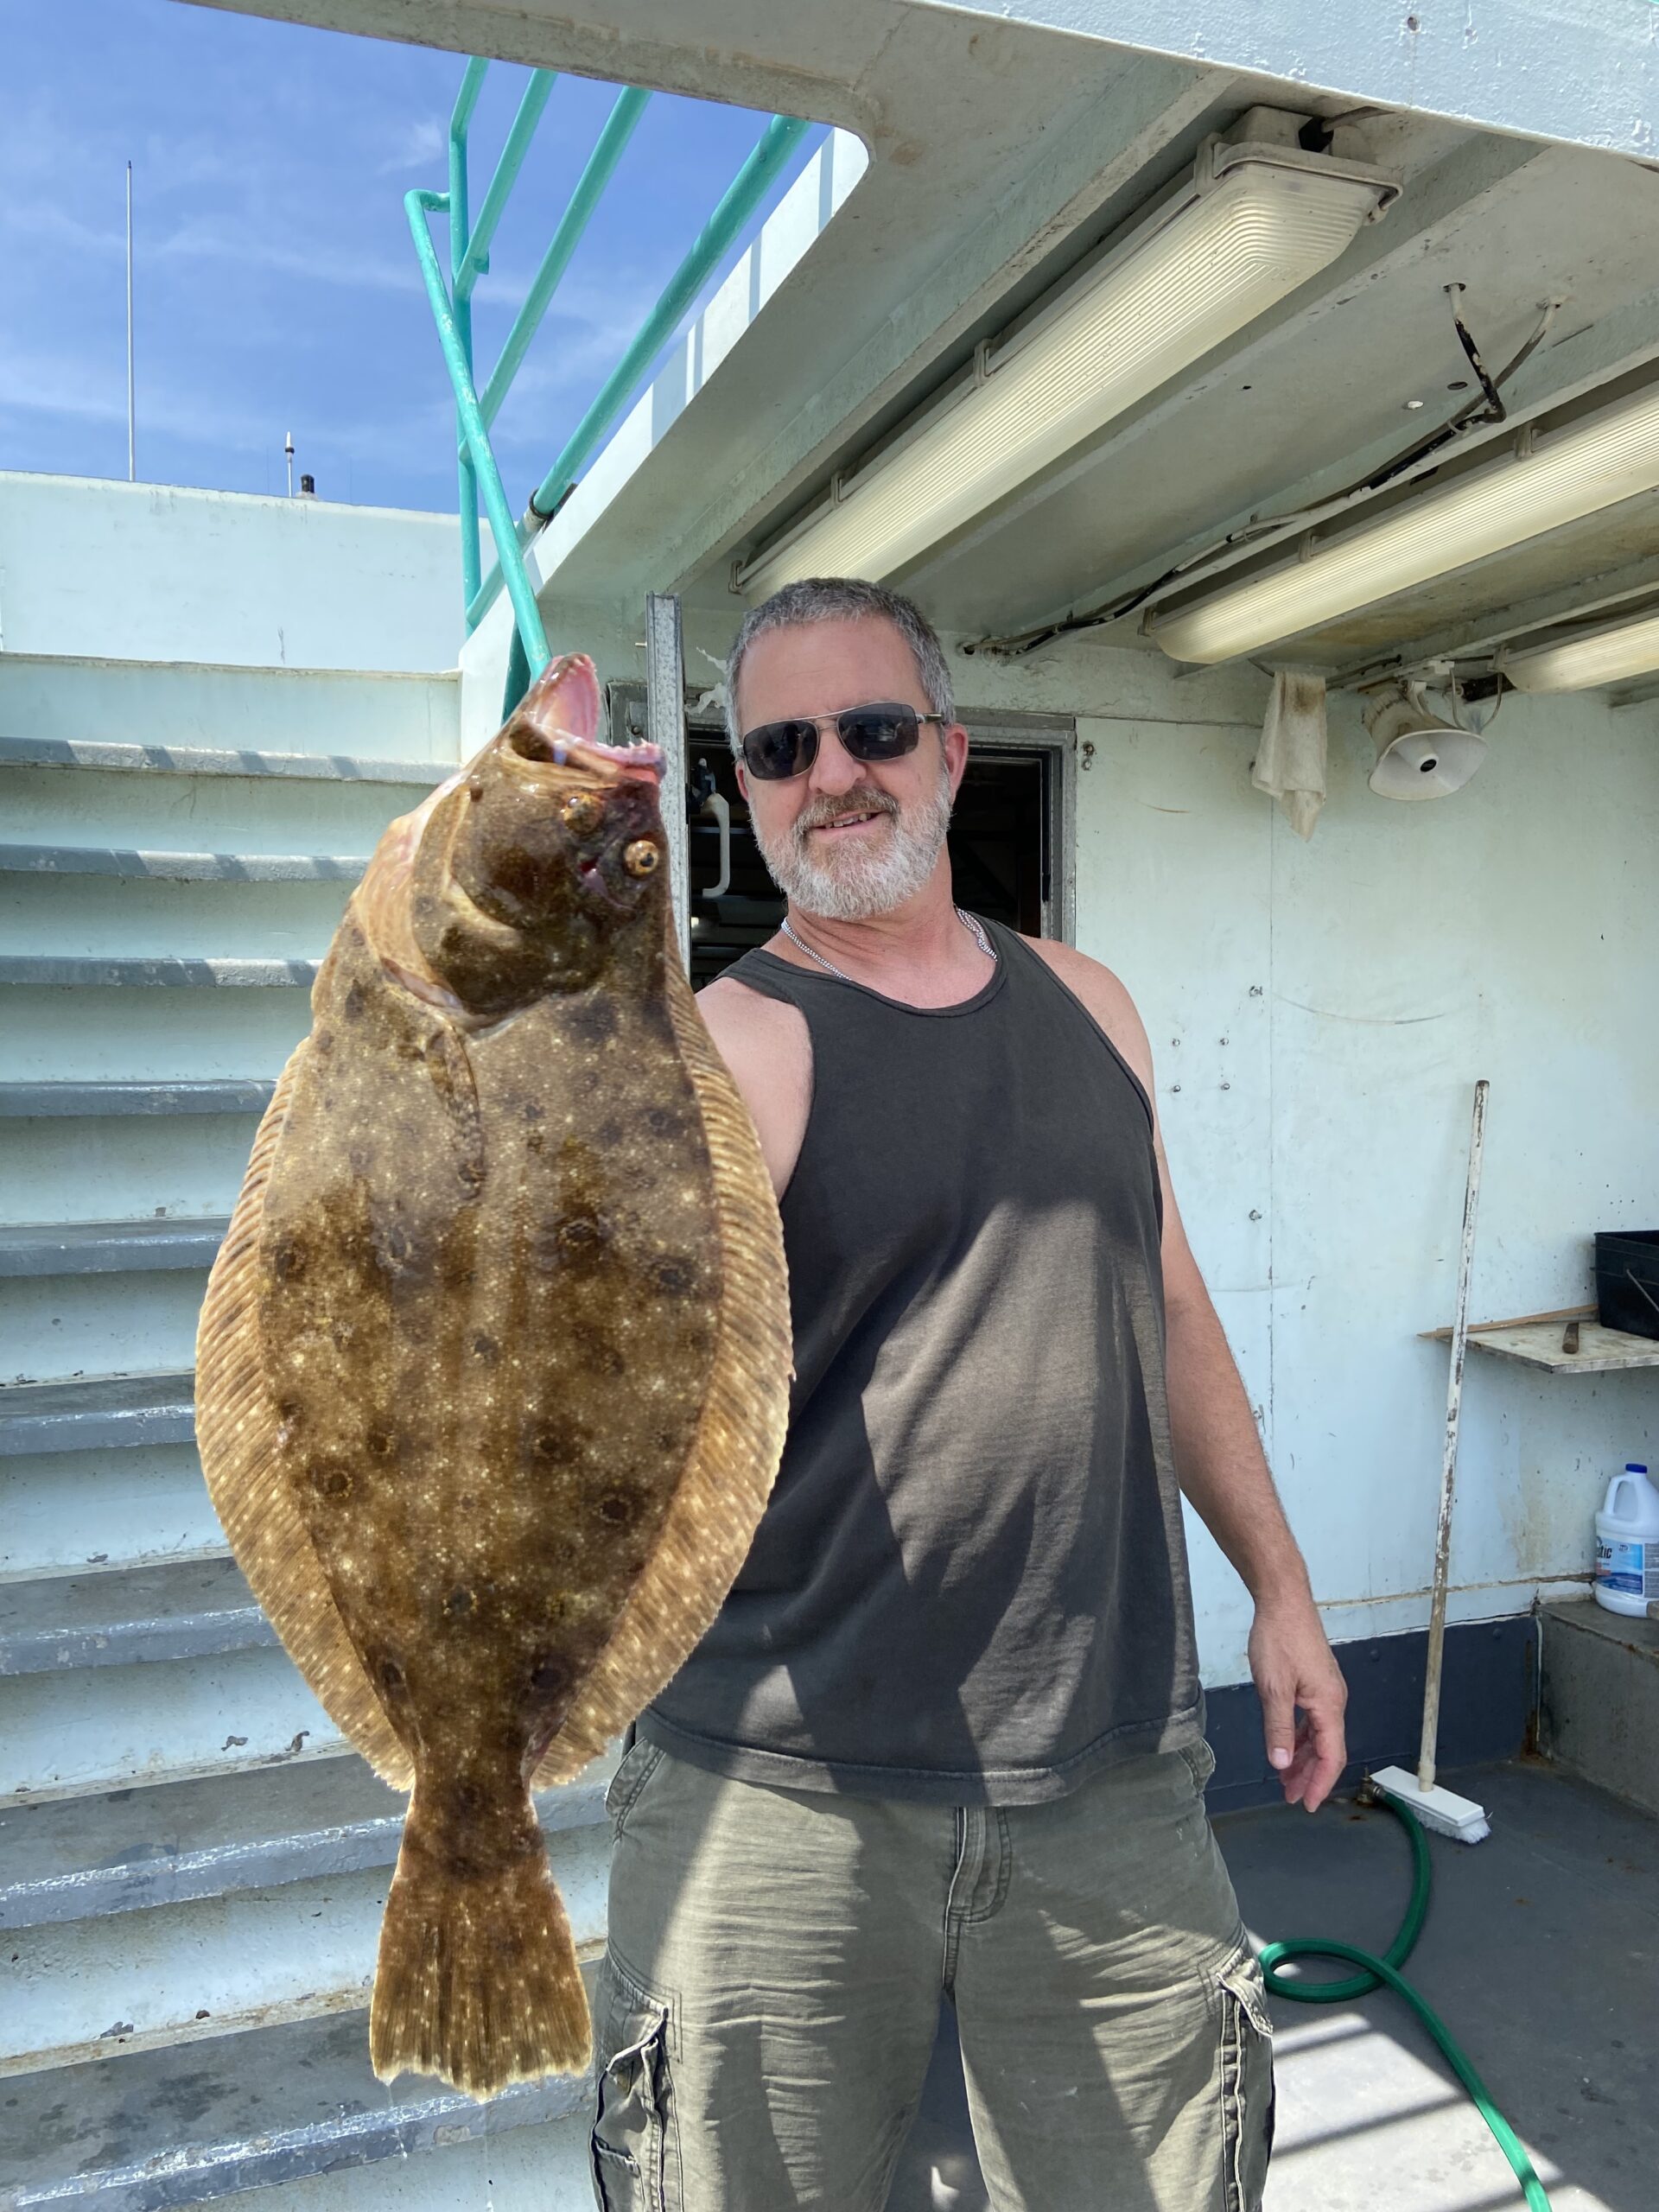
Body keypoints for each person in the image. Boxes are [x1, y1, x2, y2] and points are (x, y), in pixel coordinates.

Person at [589, 576, 1347, 2212]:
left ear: (944, 752)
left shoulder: (1092, 1007)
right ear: (740, 794)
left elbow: (1173, 1298)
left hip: (1111, 1771)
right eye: (782, 748)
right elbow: (590, 1356)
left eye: (870, 731)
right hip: (775, 1790)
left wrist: (1279, 1591)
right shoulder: (725, 1046)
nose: (832, 775)